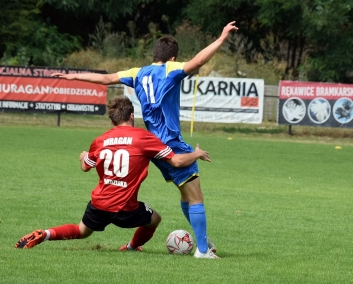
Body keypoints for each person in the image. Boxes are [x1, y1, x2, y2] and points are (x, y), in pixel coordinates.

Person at [52, 21, 238, 258]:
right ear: (172, 58)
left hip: (152, 145)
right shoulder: (170, 70)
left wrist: (72, 76)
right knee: (196, 197)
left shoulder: (137, 72)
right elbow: (199, 61)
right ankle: (202, 250)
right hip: (171, 144)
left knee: (185, 194)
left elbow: (107, 79)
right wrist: (221, 38)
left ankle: (204, 241)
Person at [15, 96, 211, 251]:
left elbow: (85, 167)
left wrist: (84, 156)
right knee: (155, 219)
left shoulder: (100, 141)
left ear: (112, 119)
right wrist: (196, 154)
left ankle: (45, 234)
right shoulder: (144, 137)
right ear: (132, 116)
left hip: (99, 203)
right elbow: (176, 162)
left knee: (82, 230)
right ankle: (132, 247)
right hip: (126, 208)